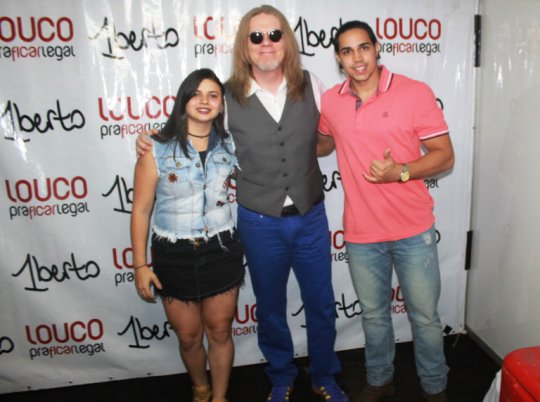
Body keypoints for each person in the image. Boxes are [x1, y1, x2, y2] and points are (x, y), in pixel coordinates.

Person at [137, 5, 348, 402]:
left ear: (286, 41)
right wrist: (151, 139)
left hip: (310, 216)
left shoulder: (313, 83)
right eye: (256, 36)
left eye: (274, 35)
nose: (266, 43)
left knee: (321, 303)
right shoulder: (227, 96)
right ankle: (281, 376)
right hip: (259, 220)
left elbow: (332, 135)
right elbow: (192, 130)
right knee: (269, 307)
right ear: (245, 45)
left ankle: (324, 375)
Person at [317, 21, 455, 402]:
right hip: (362, 234)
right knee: (374, 317)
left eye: (363, 47)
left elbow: (445, 156)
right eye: (347, 51)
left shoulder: (414, 92)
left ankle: (435, 387)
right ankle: (380, 381)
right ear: (339, 59)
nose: (357, 58)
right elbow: (323, 144)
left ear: (377, 48)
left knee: (425, 318)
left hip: (413, 230)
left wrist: (401, 172)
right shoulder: (331, 101)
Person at [130, 68, 244, 402]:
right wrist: (140, 265)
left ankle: (219, 397)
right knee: (189, 337)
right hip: (174, 255)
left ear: (221, 105)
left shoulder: (231, 145)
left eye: (213, 95)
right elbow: (141, 210)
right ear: (183, 100)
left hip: (222, 250)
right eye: (196, 94)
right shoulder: (156, 148)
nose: (204, 101)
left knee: (220, 331)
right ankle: (200, 388)